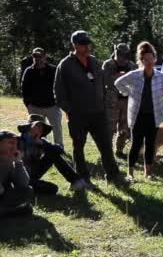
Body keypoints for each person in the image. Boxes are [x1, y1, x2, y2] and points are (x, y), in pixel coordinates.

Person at [54, 30, 121, 185]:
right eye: (83, 44)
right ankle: (83, 177)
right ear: (75, 45)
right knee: (79, 148)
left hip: (98, 112)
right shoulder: (65, 65)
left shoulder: (94, 62)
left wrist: (103, 104)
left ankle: (113, 175)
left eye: (88, 44)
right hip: (78, 114)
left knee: (106, 146)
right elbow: (58, 91)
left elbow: (102, 85)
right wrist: (69, 110)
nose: (87, 47)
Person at [115, 42, 163, 181]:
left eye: (151, 59)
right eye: (145, 60)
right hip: (136, 115)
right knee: (136, 144)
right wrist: (127, 92)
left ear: (155, 59)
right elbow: (118, 83)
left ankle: (148, 173)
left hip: (154, 116)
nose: (149, 62)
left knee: (151, 144)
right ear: (141, 61)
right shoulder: (135, 75)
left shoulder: (161, 76)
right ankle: (130, 173)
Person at [17, 114, 89, 194]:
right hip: (20, 177)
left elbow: (59, 150)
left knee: (53, 153)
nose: (40, 130)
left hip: (34, 172)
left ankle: (75, 181)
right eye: (37, 127)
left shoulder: (41, 141)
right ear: (29, 127)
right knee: (52, 189)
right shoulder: (17, 141)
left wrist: (42, 144)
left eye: (42, 128)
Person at [21, 47, 64, 148]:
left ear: (45, 57)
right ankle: (39, 148)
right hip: (35, 107)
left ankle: (59, 148)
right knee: (37, 130)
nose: (37, 58)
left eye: (40, 56)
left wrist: (59, 102)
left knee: (57, 128)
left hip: (52, 106)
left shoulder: (54, 69)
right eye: (35, 56)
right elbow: (24, 88)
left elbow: (60, 86)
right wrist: (28, 104)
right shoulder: (29, 71)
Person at [103, 43, 136, 159]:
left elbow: (135, 81)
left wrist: (125, 77)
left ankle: (119, 150)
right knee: (109, 128)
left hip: (127, 102)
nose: (122, 58)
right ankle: (107, 152)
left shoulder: (131, 66)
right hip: (112, 102)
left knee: (125, 129)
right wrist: (118, 77)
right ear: (116, 53)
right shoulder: (108, 64)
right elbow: (105, 81)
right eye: (120, 55)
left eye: (125, 55)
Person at [0, 130, 33, 218]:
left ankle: (6, 211)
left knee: (27, 190)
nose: (14, 147)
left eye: (15, 144)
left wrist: (18, 162)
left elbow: (23, 184)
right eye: (10, 143)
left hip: (3, 196)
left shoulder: (10, 160)